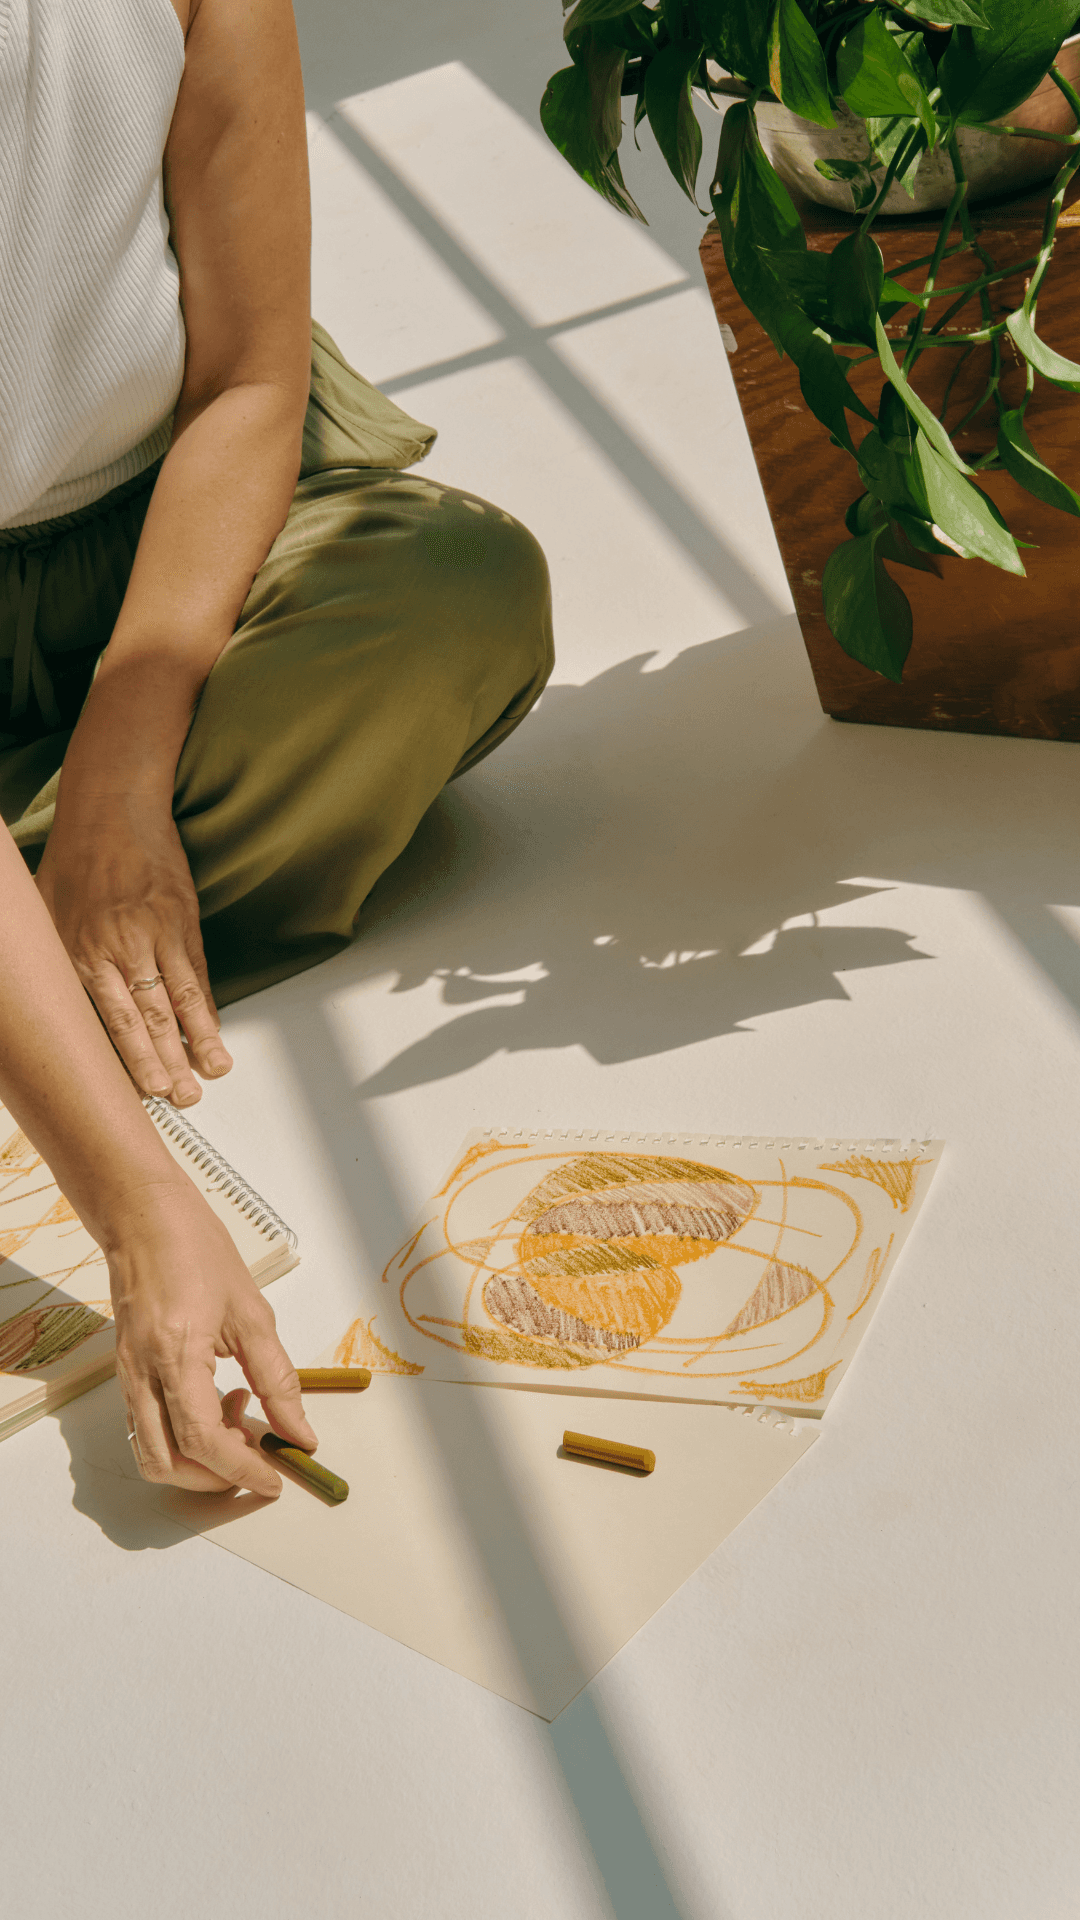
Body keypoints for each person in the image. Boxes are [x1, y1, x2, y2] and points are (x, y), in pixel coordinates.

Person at [0, 0, 554, 1487]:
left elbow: (251, 377)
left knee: (453, 598)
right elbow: (139, 1213)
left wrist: (121, 779)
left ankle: (42, 944)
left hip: (163, 533)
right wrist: (139, 1210)